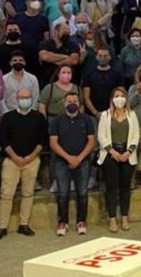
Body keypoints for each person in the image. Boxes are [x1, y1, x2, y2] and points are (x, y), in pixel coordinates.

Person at [0, 88, 48, 240]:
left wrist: (31, 156)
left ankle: (24, 224)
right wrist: (15, 157)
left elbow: (42, 141)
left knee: (28, 193)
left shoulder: (38, 117)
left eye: (27, 97)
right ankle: (2, 227)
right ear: (16, 99)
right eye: (22, 97)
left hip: (32, 161)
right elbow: (3, 140)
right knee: (6, 194)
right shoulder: (8, 118)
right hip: (11, 161)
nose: (25, 99)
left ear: (31, 99)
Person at [49, 93, 95, 236]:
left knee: (82, 193)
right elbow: (53, 143)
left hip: (83, 162)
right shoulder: (56, 121)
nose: (72, 103)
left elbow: (91, 141)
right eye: (69, 101)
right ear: (64, 102)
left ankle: (81, 221)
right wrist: (69, 158)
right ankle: (63, 222)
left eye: (75, 101)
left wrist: (79, 158)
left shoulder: (87, 120)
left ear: (79, 103)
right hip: (62, 162)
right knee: (63, 194)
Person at [95, 88, 139, 233]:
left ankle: (125, 218)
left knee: (125, 188)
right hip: (110, 154)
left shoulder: (131, 115)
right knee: (111, 189)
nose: (119, 98)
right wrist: (112, 152)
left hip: (127, 154)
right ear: (112, 98)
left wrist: (129, 151)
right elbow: (101, 136)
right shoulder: (105, 115)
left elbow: (136, 136)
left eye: (122, 96)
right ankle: (112, 219)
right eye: (116, 96)